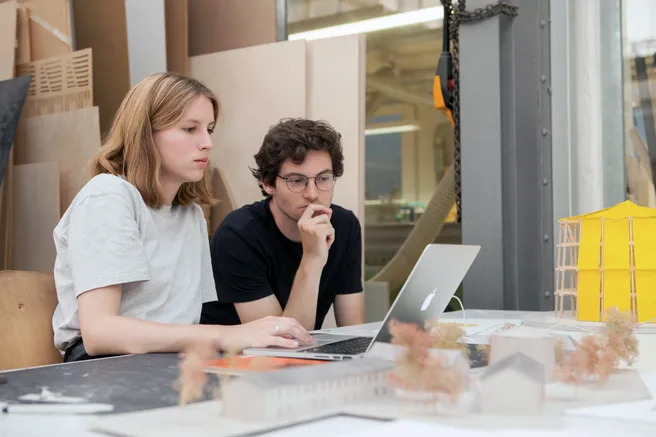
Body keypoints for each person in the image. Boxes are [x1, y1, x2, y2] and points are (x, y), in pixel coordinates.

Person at [51, 73, 311, 362]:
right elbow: (100, 333)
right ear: (144, 134)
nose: (207, 143)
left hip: (168, 358)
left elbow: (184, 324)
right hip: (102, 363)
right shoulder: (107, 196)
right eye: (190, 129)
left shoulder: (190, 214)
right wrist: (228, 335)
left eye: (209, 129)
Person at [201, 118, 364, 331]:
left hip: (304, 356)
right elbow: (283, 343)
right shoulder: (238, 235)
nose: (313, 194)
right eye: (296, 180)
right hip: (233, 358)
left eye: (323, 179)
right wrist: (313, 258)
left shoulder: (345, 225)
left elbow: (354, 331)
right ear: (268, 184)